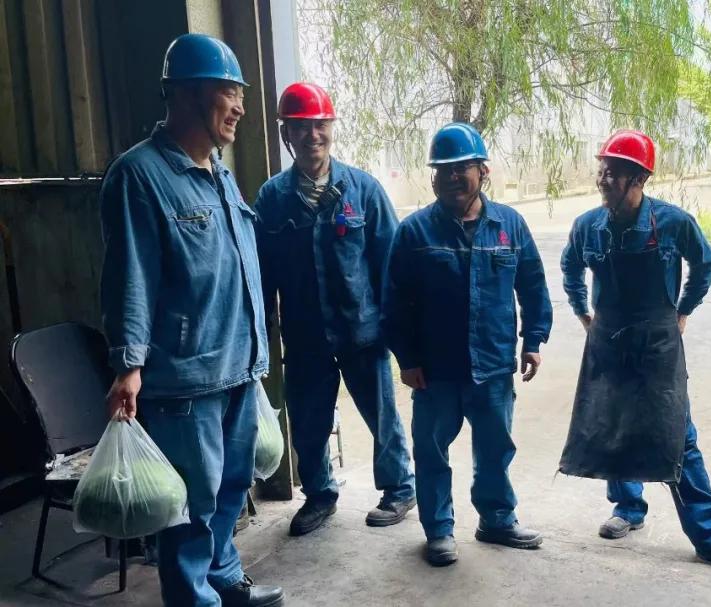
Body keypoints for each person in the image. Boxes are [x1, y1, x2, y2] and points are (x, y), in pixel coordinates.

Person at [100, 34, 284, 607]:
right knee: (191, 509)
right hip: (185, 380)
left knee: (232, 488)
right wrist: (128, 365)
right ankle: (193, 599)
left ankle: (223, 579)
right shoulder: (140, 175)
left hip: (238, 367)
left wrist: (257, 353)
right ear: (184, 94)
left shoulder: (219, 173)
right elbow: (130, 277)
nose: (241, 107)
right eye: (229, 91)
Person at [560, 129, 711, 576]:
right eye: (602, 170)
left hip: (658, 342)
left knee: (677, 435)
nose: (603, 179)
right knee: (614, 424)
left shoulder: (674, 223)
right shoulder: (587, 225)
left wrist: (684, 310)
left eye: (614, 172)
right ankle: (628, 508)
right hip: (608, 341)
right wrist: (582, 312)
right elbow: (570, 266)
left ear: (640, 178)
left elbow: (704, 263)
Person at [382, 122, 553, 566]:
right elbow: (394, 302)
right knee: (431, 452)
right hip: (434, 371)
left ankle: (496, 519)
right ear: (433, 176)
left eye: (462, 168)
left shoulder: (509, 226)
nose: (452, 177)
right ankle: (439, 530)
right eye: (443, 170)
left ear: (483, 171)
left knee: (495, 449)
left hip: (492, 367)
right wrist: (407, 359)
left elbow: (533, 285)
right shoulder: (415, 232)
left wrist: (533, 339)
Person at [253, 82, 415, 536]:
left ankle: (400, 488)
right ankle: (319, 494)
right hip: (306, 336)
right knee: (308, 421)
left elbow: (392, 266)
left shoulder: (363, 190)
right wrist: (260, 334)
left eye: (320, 125)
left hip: (362, 331)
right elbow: (261, 274)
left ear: (332, 128)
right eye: (301, 127)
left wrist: (399, 333)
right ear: (286, 133)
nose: (313, 136)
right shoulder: (273, 199)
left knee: (382, 416)